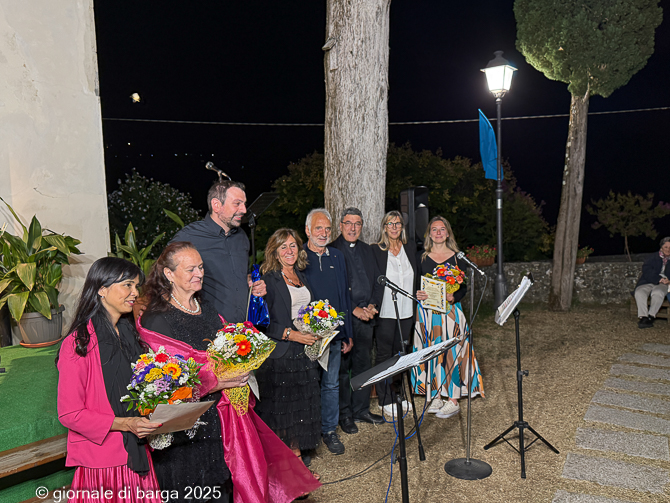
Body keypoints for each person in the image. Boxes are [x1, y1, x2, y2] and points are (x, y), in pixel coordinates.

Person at [137, 241, 320, 503]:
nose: (199, 274)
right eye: (190, 269)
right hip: (187, 431)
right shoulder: (156, 319)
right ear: (169, 274)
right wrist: (215, 380)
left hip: (224, 421)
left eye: (201, 267)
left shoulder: (207, 308)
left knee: (225, 487)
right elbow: (166, 381)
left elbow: (227, 348)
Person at [56, 257, 163, 503]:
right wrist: (126, 424)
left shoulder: (131, 335)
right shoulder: (78, 343)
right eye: (127, 285)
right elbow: (70, 414)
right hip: (103, 464)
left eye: (136, 286)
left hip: (138, 451)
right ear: (102, 289)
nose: (135, 293)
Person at [255, 229, 323, 472]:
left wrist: (319, 328)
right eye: (283, 247)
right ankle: (293, 468)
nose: (289, 251)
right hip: (280, 356)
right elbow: (262, 323)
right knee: (284, 415)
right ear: (274, 252)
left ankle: (294, 464)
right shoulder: (268, 280)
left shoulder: (301, 276)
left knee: (300, 413)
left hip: (303, 355)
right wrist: (292, 334)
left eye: (293, 245)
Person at [412, 216, 484, 419]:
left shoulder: (458, 258)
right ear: (429, 234)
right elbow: (416, 284)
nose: (438, 233)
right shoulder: (421, 257)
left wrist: (454, 296)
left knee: (453, 352)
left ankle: (453, 399)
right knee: (431, 351)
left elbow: (463, 288)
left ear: (448, 233)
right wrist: (418, 293)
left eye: (442, 229)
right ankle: (435, 394)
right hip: (428, 313)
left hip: (451, 312)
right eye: (434, 229)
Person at [171, 180, 266, 323]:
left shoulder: (241, 236)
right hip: (208, 327)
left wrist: (253, 283)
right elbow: (164, 273)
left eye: (244, 204)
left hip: (243, 327)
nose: (244, 210)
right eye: (237, 203)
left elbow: (243, 274)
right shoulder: (189, 236)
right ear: (216, 205)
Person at [302, 208, 353, 455]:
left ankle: (329, 430)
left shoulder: (337, 257)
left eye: (327, 229)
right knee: (308, 385)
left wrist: (347, 332)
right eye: (318, 228)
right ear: (307, 230)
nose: (323, 233)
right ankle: (307, 435)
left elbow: (344, 295)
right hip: (306, 336)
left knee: (331, 384)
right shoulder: (298, 257)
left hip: (333, 335)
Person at [331, 207, 385, 432]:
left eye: (357, 224)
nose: (353, 228)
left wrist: (373, 305)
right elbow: (333, 289)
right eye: (348, 223)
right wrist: (354, 310)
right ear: (341, 225)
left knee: (364, 365)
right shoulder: (332, 250)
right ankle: (345, 415)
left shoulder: (368, 250)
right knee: (343, 370)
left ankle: (361, 409)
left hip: (366, 318)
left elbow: (379, 280)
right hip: (344, 318)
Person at [371, 211, 428, 417]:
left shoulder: (410, 248)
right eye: (390, 223)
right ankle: (384, 399)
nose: (394, 227)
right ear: (384, 227)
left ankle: (399, 395)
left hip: (406, 311)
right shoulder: (376, 250)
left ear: (402, 227)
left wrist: (420, 291)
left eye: (397, 223)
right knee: (384, 354)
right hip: (386, 311)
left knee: (401, 353)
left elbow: (416, 275)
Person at [634, 237, 670, 328]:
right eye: (666, 247)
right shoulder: (652, 257)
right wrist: (658, 279)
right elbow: (647, 270)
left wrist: (668, 280)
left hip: (664, 283)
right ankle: (643, 317)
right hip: (648, 281)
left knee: (658, 293)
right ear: (661, 247)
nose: (668, 249)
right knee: (640, 292)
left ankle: (651, 316)